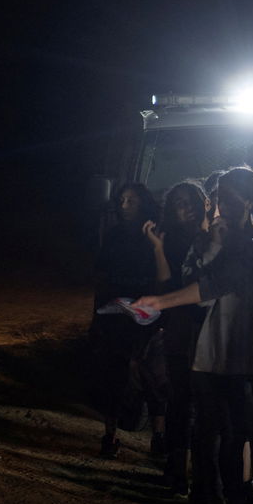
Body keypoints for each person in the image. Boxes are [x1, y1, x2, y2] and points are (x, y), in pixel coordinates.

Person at [135, 167, 253, 504]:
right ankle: (210, 498)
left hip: (248, 348)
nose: (223, 204)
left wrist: (161, 301)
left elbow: (221, 283)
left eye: (231, 197)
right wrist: (211, 244)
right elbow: (197, 284)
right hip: (208, 347)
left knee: (239, 431)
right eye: (220, 197)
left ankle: (237, 501)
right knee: (210, 426)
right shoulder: (206, 241)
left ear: (251, 201)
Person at [90, 183, 166, 458]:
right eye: (121, 200)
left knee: (150, 374)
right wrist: (98, 315)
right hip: (116, 315)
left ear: (143, 203)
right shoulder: (113, 236)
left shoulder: (154, 234)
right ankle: (109, 436)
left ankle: (158, 437)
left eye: (130, 201)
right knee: (116, 374)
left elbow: (162, 277)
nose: (124, 206)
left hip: (148, 314)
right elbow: (101, 275)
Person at [153, 180, 209, 489]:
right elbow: (164, 287)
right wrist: (159, 249)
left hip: (210, 328)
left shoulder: (214, 237)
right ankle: (177, 466)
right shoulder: (171, 240)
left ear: (203, 203)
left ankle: (201, 473)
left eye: (190, 201)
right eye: (178, 203)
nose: (185, 207)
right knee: (179, 397)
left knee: (205, 401)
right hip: (180, 327)